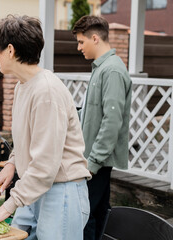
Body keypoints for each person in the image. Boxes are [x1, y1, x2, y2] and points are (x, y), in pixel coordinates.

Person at [0, 15, 91, 239]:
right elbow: (26, 140)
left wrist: (6, 208)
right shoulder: (23, 86)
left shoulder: (46, 92)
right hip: (36, 188)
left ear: (10, 50)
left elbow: (45, 165)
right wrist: (11, 164)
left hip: (61, 193)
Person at [72, 16, 132, 240]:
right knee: (96, 216)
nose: (79, 48)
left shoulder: (112, 71)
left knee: (86, 218)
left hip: (96, 163)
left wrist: (93, 162)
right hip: (91, 159)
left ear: (95, 38)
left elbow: (111, 122)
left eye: (81, 42)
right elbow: (91, 113)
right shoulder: (101, 68)